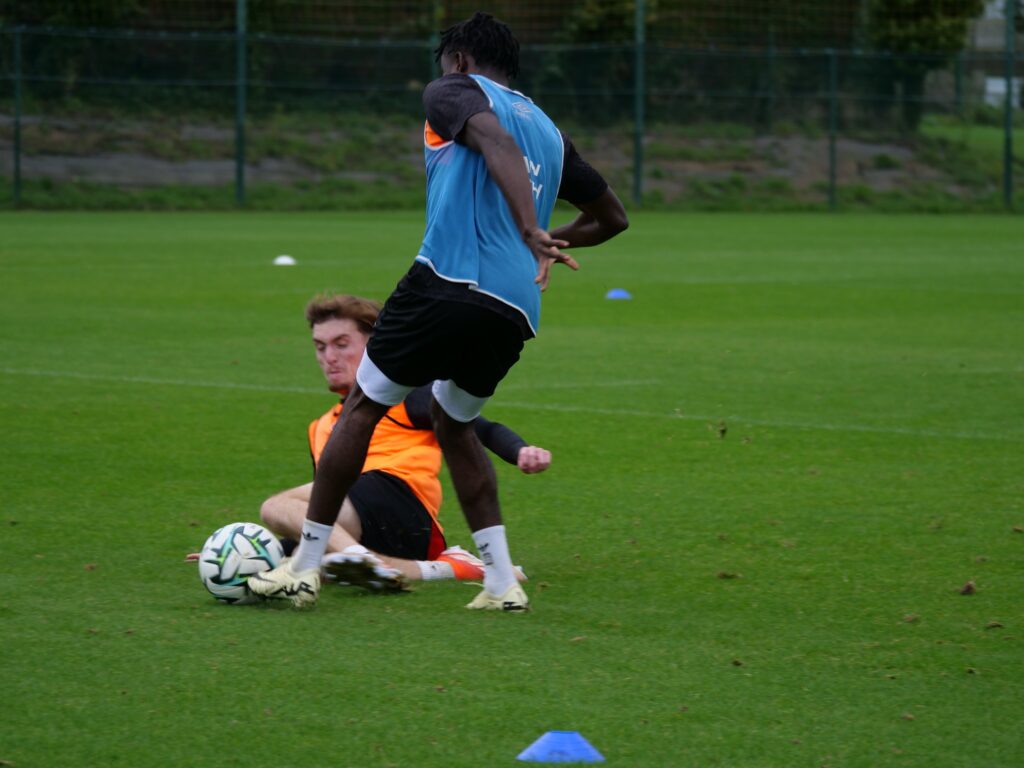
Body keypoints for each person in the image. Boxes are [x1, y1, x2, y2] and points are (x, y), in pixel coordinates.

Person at [249, 11, 628, 611]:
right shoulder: (552, 133)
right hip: (516, 306)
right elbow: (613, 218)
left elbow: (494, 141)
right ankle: (501, 582)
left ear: (459, 60)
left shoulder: (452, 90)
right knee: (453, 424)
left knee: (364, 404)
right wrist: (551, 238)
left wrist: (531, 228)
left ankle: (304, 566)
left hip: (447, 280)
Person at [261, 292, 546, 591]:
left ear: (375, 344)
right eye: (320, 347)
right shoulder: (318, 428)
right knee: (317, 559)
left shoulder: (405, 396)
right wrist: (253, 553)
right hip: (393, 534)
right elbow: (319, 514)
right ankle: (450, 567)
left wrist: (519, 450)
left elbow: (477, 428)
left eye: (341, 344)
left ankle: (357, 557)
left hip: (401, 498)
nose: (329, 357)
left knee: (274, 507)